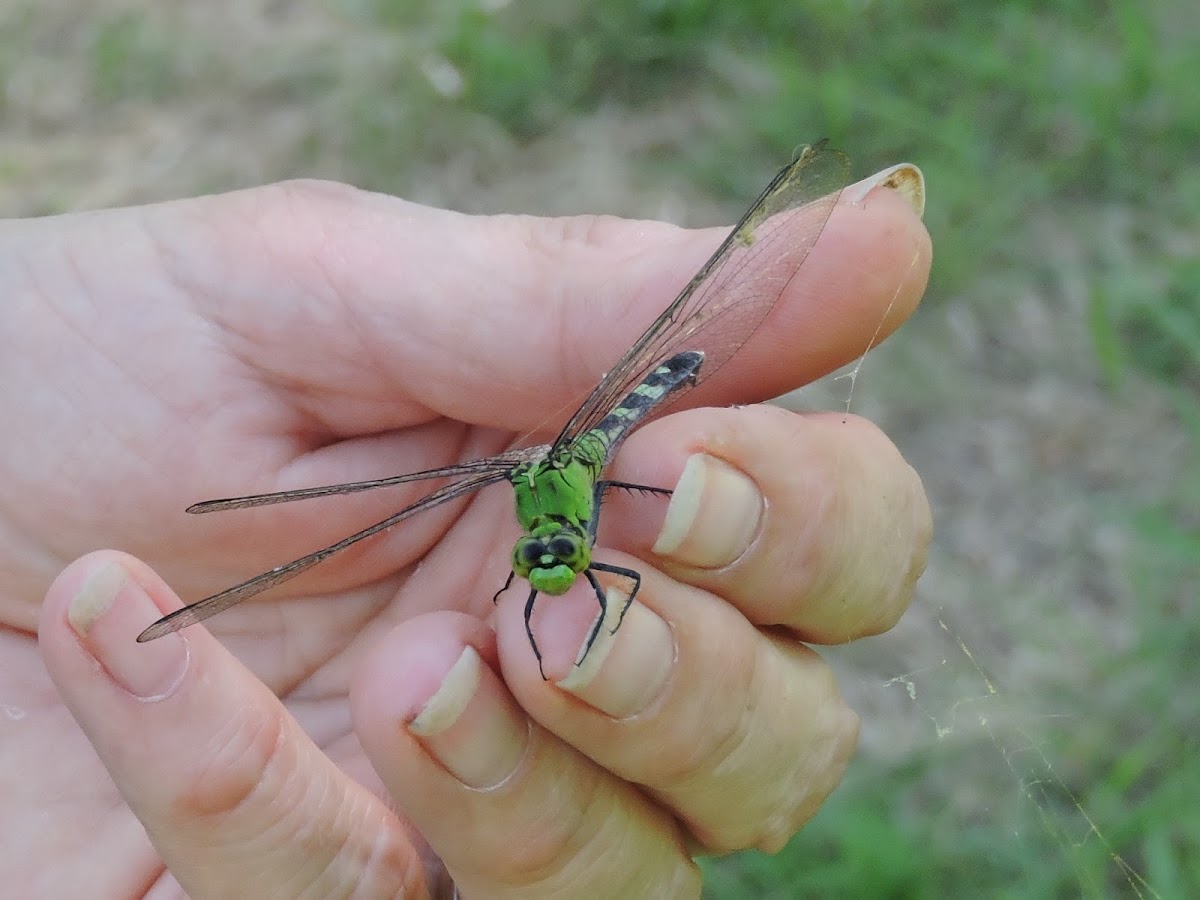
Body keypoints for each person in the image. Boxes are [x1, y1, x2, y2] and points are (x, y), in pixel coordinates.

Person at [3, 164, 931, 898]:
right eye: (542, 554)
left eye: (551, 553)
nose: (548, 564)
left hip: (635, 402)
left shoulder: (587, 526)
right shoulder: (536, 556)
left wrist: (705, 508)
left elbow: (633, 576)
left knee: (675, 508)